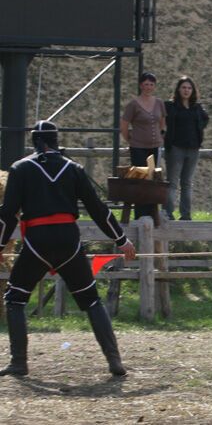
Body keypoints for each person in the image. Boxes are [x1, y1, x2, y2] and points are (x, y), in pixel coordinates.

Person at [0, 121, 136, 377]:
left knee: (15, 299)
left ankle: (19, 363)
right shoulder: (73, 168)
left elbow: (7, 216)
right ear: (55, 140)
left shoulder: (20, 169)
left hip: (37, 242)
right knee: (92, 300)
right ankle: (114, 361)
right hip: (69, 242)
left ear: (35, 141)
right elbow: (99, 210)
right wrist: (121, 240)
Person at [121, 72, 166, 219]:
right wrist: (130, 139)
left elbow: (162, 121)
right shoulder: (133, 104)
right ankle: (140, 213)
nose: (148, 87)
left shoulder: (159, 103)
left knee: (152, 178)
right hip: (138, 147)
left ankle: (152, 212)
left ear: (154, 86)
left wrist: (161, 135)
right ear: (141, 85)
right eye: (146, 84)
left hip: (154, 146)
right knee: (140, 178)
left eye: (151, 84)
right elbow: (124, 124)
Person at [164, 76, 209, 221]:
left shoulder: (197, 107)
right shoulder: (171, 106)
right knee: (172, 182)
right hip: (176, 148)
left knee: (187, 183)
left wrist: (198, 132)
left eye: (189, 88)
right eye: (183, 87)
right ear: (178, 89)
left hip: (193, 149)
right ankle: (168, 213)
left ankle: (186, 215)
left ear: (193, 90)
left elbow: (205, 119)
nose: (186, 90)